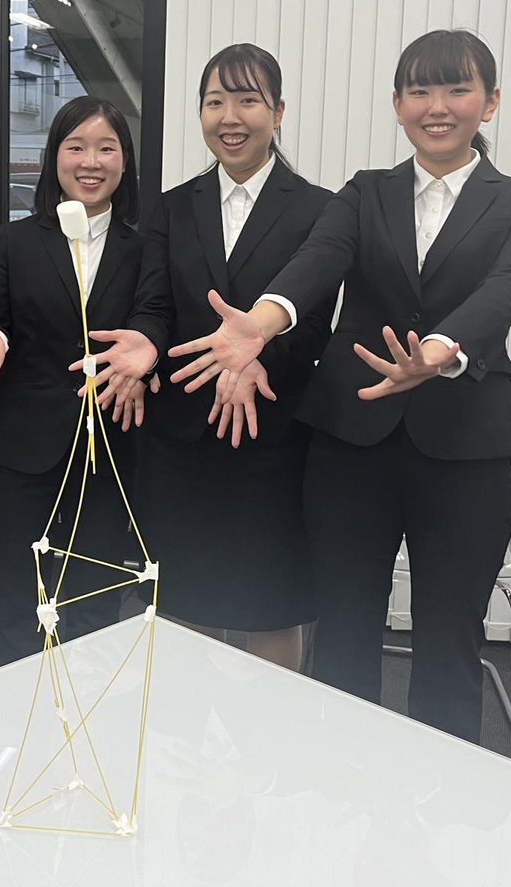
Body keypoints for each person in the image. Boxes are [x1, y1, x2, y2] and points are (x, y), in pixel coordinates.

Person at [165, 29, 511, 742]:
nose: (437, 107)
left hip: (466, 448)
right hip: (350, 450)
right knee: (342, 638)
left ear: (490, 102)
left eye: (457, 89)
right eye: (419, 91)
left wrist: (438, 351)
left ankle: (439, 794)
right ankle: (341, 783)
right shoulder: (365, 192)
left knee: (449, 644)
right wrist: (261, 323)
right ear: (398, 104)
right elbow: (319, 260)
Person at [84, 44, 334, 670]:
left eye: (248, 100)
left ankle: (266, 732)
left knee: (270, 607)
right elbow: (155, 305)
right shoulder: (173, 206)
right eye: (215, 102)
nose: (230, 117)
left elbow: (314, 324)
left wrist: (257, 362)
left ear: (278, 111)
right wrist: (145, 342)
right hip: (182, 439)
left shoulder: (320, 209)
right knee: (183, 604)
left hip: (272, 438)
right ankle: (186, 732)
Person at [0, 96, 147, 665]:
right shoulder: (14, 241)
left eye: (107, 148)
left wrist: (144, 367)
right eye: (76, 147)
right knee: (18, 600)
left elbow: (155, 325)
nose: (91, 162)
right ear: (54, 157)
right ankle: (20, 710)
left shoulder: (144, 249)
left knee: (93, 602)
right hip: (22, 445)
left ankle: (85, 711)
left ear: (124, 162)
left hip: (110, 446)